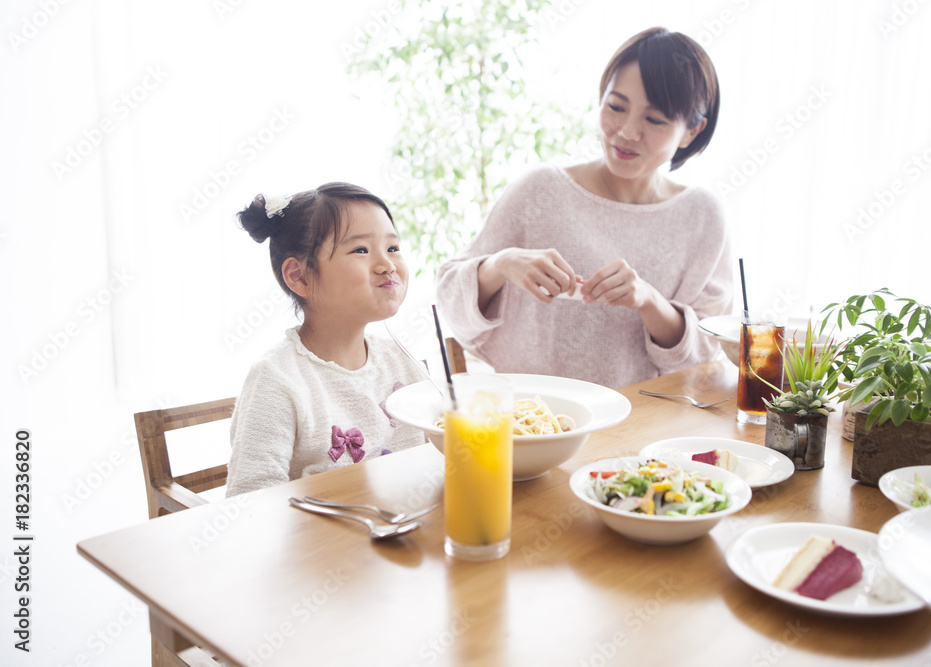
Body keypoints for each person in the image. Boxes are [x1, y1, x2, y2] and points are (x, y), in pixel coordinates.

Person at [435, 27, 733, 389]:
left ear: (692, 131)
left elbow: (707, 351)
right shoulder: (540, 190)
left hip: (640, 427)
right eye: (616, 107)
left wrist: (650, 301)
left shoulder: (702, 216)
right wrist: (501, 264)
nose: (626, 131)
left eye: (654, 120)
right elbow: (450, 298)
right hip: (529, 418)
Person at [226, 183, 426, 496]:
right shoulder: (276, 379)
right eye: (361, 250)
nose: (387, 265)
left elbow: (436, 459)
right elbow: (250, 502)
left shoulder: (401, 360)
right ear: (300, 276)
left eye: (393, 248)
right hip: (322, 543)